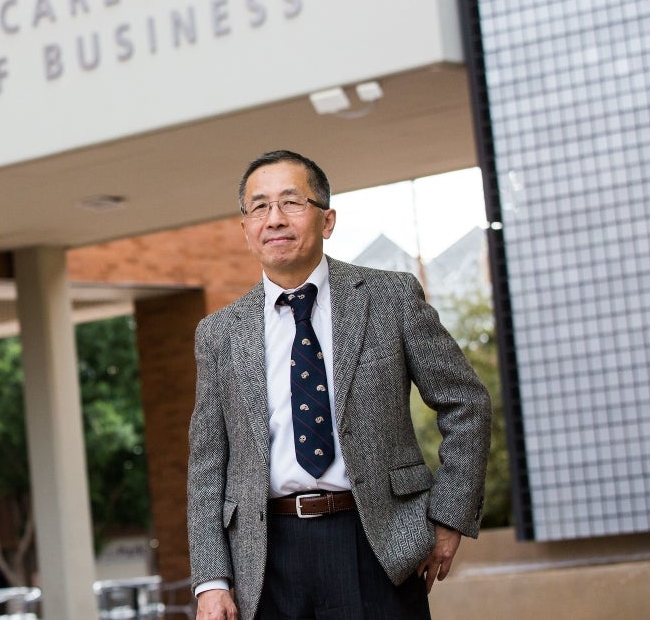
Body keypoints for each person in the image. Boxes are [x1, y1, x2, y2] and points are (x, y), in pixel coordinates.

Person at [187, 150, 492, 619]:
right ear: (245, 228)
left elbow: (465, 403)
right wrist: (211, 579)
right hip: (265, 560)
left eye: (292, 202)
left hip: (378, 544)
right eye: (259, 207)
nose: (275, 219)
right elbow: (208, 462)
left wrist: (449, 516)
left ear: (326, 220)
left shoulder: (390, 298)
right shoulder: (219, 334)